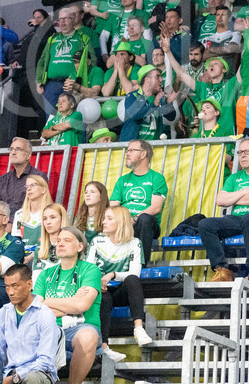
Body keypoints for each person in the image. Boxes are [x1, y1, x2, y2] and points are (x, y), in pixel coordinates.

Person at [198, 138, 249, 283]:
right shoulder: (234, 177)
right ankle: (222, 270)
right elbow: (220, 201)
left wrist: (234, 197)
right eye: (240, 152)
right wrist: (246, 191)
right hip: (238, 219)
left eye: (248, 152)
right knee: (205, 224)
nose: (242, 155)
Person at [32, 227, 101, 384]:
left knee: (88, 336)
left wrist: (46, 302)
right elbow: (35, 308)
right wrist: (72, 302)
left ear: (80, 247)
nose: (60, 244)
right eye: (58, 241)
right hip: (49, 328)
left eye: (67, 240)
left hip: (80, 328)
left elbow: (81, 306)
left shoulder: (91, 270)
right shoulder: (45, 274)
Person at [88, 206, 151, 362]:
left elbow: (134, 272)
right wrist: (98, 282)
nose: (104, 222)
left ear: (121, 222)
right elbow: (88, 268)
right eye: (104, 218)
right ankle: (104, 348)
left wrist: (113, 274)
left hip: (121, 291)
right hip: (101, 291)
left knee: (132, 279)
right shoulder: (97, 241)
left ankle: (138, 328)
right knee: (104, 298)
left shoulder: (135, 243)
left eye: (109, 219)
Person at [0, 263, 60, 384]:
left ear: (29, 285)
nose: (10, 292)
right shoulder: (2, 314)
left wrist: (15, 378)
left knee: (31, 379)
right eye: (7, 287)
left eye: (15, 286)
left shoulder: (44, 314)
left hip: (39, 374)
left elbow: (45, 361)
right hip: (9, 373)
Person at [109, 140, 167, 267]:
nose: (127, 154)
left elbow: (156, 207)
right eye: (127, 150)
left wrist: (134, 218)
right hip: (123, 223)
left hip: (147, 225)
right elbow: (113, 206)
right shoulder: (122, 180)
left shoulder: (157, 178)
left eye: (131, 150)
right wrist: (124, 220)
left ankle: (140, 265)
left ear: (143, 154)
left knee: (145, 219)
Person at [119, 65, 177, 142]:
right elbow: (134, 114)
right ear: (147, 80)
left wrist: (169, 103)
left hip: (153, 147)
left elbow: (171, 117)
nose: (161, 80)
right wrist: (154, 104)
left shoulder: (160, 97)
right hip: (133, 148)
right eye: (157, 77)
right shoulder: (133, 96)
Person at [0, 139, 48, 214]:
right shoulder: (3, 179)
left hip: (26, 220)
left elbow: (37, 207)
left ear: (28, 155)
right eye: (11, 149)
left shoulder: (38, 176)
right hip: (3, 221)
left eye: (18, 149)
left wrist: (12, 222)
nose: (13, 152)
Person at [12, 178, 53, 256]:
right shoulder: (19, 215)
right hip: (23, 257)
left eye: (33, 185)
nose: (29, 189)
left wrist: (32, 256)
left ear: (43, 190)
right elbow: (16, 239)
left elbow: (53, 240)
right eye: (27, 187)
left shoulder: (51, 213)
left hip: (44, 255)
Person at [34, 204, 68, 273]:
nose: (48, 222)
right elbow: (36, 278)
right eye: (45, 219)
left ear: (62, 219)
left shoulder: (70, 246)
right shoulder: (39, 248)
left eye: (52, 217)